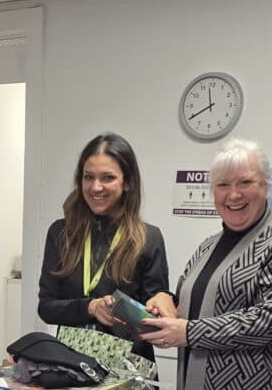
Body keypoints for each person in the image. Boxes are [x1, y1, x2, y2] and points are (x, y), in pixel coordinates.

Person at [140, 139, 272, 390]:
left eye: (245, 182)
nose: (233, 195)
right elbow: (191, 302)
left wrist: (190, 332)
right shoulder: (208, 246)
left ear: (266, 185)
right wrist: (166, 300)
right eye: (223, 185)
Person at [38, 132, 173, 360]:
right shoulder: (61, 233)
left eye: (107, 178)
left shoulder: (148, 237)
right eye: (88, 177)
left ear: (128, 182)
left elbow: (155, 316)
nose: (95, 187)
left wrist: (161, 305)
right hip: (71, 367)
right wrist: (90, 307)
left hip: (128, 368)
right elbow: (47, 308)